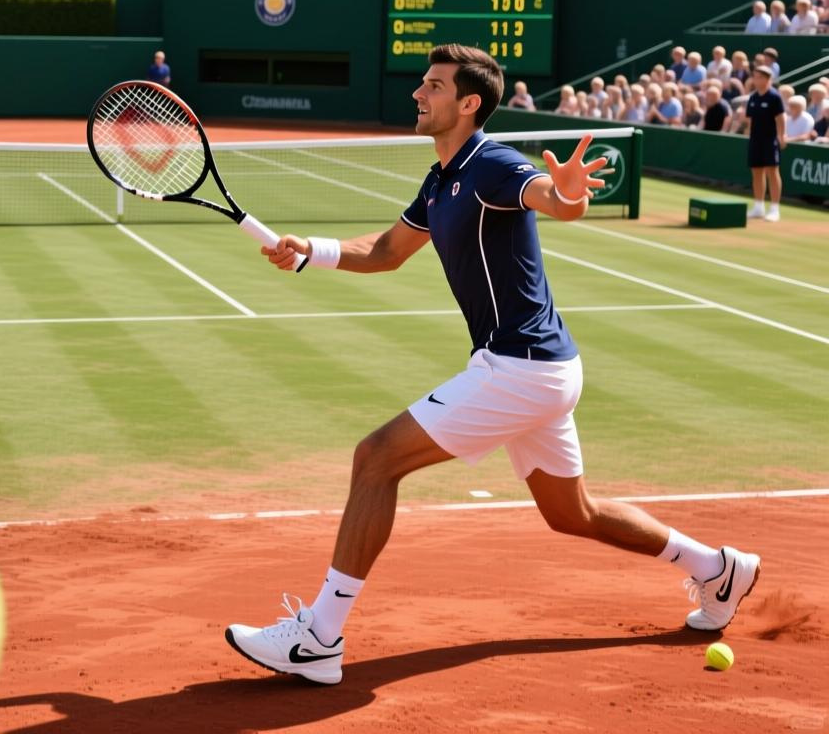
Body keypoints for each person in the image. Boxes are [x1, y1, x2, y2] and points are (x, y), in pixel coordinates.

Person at [224, 43, 761, 686]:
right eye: (422, 84)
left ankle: (319, 636)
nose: (419, 94)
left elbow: (552, 199)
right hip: (542, 367)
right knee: (572, 514)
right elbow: (387, 250)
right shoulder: (440, 178)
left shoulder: (495, 164)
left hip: (520, 368)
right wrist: (311, 249)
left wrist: (566, 195)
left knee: (375, 459)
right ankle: (715, 567)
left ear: (468, 102)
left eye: (433, 86)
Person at [744, 65, 786, 221]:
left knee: (772, 172)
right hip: (755, 140)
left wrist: (781, 135)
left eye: (759, 77)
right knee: (756, 172)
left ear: (768, 79)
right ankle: (758, 207)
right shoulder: (753, 97)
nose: (755, 79)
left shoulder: (774, 97)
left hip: (770, 140)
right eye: (754, 76)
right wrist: (748, 133)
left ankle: (775, 209)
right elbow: (750, 119)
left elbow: (780, 118)